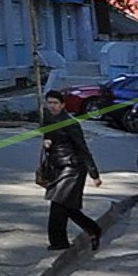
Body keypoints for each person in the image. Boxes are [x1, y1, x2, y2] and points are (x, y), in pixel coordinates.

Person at [41, 90, 103, 252]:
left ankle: (59, 242)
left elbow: (83, 148)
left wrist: (94, 174)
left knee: (58, 205)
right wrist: (47, 143)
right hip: (57, 167)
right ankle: (93, 230)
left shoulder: (70, 123)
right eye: (50, 102)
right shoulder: (48, 120)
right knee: (68, 207)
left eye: (55, 103)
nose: (52, 106)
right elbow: (49, 139)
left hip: (73, 168)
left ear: (63, 105)